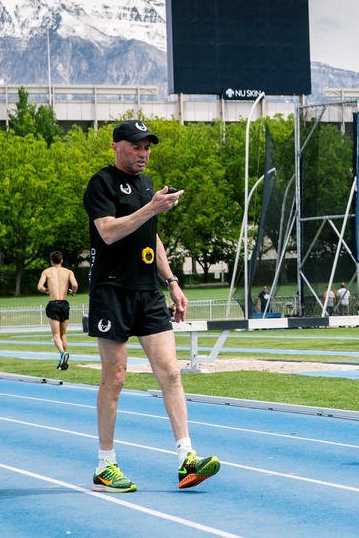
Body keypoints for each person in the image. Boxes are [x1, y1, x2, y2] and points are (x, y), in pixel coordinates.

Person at [83, 118, 220, 494]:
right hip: (112, 290)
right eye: (136, 146)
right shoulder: (102, 183)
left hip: (147, 292)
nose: (143, 153)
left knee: (171, 373)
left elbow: (151, 237)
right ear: (116, 147)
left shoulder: (146, 185)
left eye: (147, 147)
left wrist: (172, 281)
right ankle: (105, 465)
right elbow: (108, 232)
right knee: (116, 377)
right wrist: (151, 208)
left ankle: (186, 459)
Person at [38, 250, 78, 370]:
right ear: (62, 260)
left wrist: (47, 290)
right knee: (63, 334)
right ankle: (63, 361)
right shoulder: (68, 272)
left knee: (56, 335)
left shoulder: (47, 271)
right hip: (64, 303)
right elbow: (75, 285)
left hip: (54, 303)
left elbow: (39, 287)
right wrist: (72, 292)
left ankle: (62, 354)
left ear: (51, 261)